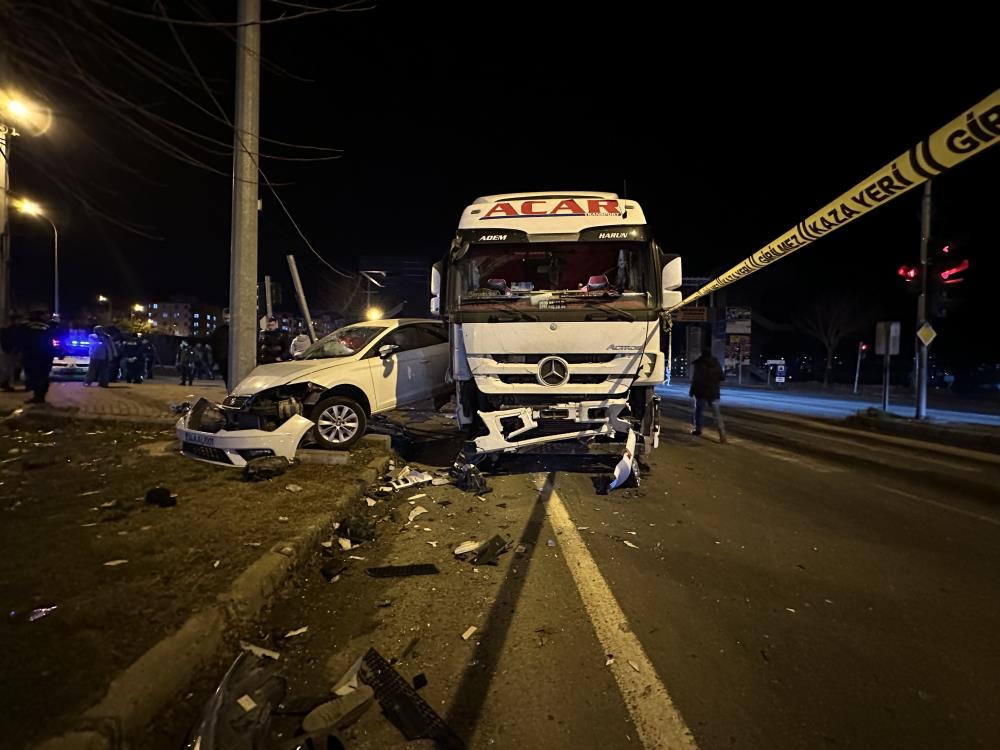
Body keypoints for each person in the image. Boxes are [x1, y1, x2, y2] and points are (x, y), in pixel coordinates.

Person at [689, 348, 727, 443]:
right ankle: (722, 435)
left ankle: (698, 429)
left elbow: (696, 379)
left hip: (701, 392)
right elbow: (722, 377)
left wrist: (692, 391)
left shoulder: (699, 364)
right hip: (713, 393)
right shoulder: (716, 363)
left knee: (699, 412)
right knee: (717, 415)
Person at [21, 309, 56, 404]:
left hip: (32, 356)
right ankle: (40, 396)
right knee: (43, 376)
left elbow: (22, 342)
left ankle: (38, 396)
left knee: (34, 376)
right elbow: (54, 342)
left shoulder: (26, 328)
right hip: (45, 356)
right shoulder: (49, 328)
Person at [0, 315, 25, 392]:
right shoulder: (10, 330)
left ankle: (5, 383)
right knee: (7, 368)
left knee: (9, 368)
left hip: (11, 351)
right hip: (8, 351)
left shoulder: (16, 330)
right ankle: (5, 383)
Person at [210, 308, 230, 389]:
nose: (227, 320)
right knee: (227, 380)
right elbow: (213, 346)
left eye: (228, 318)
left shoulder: (237, 330)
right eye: (225, 318)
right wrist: (216, 360)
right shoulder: (218, 331)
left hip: (235, 361)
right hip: (223, 360)